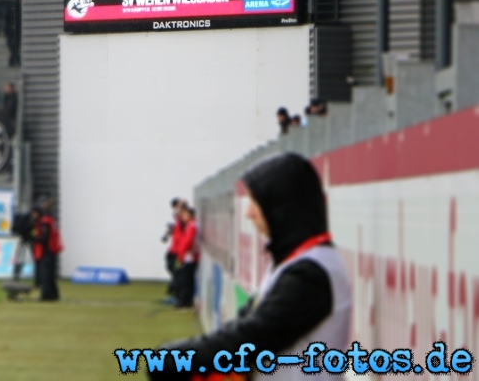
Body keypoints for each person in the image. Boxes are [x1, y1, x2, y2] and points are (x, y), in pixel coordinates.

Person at [147, 153, 352, 380]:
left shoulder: (311, 272)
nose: (249, 212)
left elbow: (252, 336)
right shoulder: (295, 263)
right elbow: (246, 328)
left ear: (280, 206)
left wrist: (176, 357)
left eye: (256, 201)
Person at [30, 205, 63, 301]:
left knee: (45, 274)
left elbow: (44, 237)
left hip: (47, 250)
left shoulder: (44, 222)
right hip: (52, 250)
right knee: (50, 275)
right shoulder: (50, 220)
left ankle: (46, 295)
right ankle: (54, 295)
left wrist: (34, 238)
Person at [174, 204, 199, 309]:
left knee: (187, 279)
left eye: (184, 214)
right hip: (189, 256)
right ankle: (185, 300)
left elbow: (188, 241)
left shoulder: (192, 226)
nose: (183, 216)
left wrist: (181, 254)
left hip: (190, 257)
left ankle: (186, 301)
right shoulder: (191, 225)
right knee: (187, 279)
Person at [161, 198, 184, 306]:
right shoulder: (178, 221)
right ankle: (174, 290)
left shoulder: (184, 220)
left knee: (176, 271)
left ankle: (176, 293)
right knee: (171, 267)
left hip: (178, 250)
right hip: (174, 249)